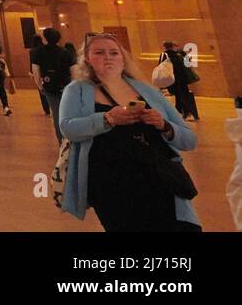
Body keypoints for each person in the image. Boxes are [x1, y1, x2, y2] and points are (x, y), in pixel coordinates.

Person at [58, 32, 199, 231]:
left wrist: (164, 125)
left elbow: (190, 140)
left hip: (158, 178)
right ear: (87, 60)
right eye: (99, 52)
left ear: (123, 59)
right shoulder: (77, 90)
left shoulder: (147, 91)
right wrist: (107, 119)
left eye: (114, 53)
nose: (108, 57)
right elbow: (67, 127)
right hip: (110, 183)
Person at [30, 27, 75, 141]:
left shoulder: (38, 52)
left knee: (56, 114)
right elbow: (74, 70)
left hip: (50, 86)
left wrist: (40, 86)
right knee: (69, 112)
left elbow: (36, 71)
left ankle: (62, 142)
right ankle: (72, 138)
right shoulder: (65, 52)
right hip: (66, 85)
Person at [158, 41, 200, 122]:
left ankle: (185, 113)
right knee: (182, 95)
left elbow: (160, 67)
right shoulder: (180, 53)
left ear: (164, 46)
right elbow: (188, 62)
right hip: (183, 78)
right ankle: (183, 112)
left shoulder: (164, 55)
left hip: (173, 79)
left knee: (179, 95)